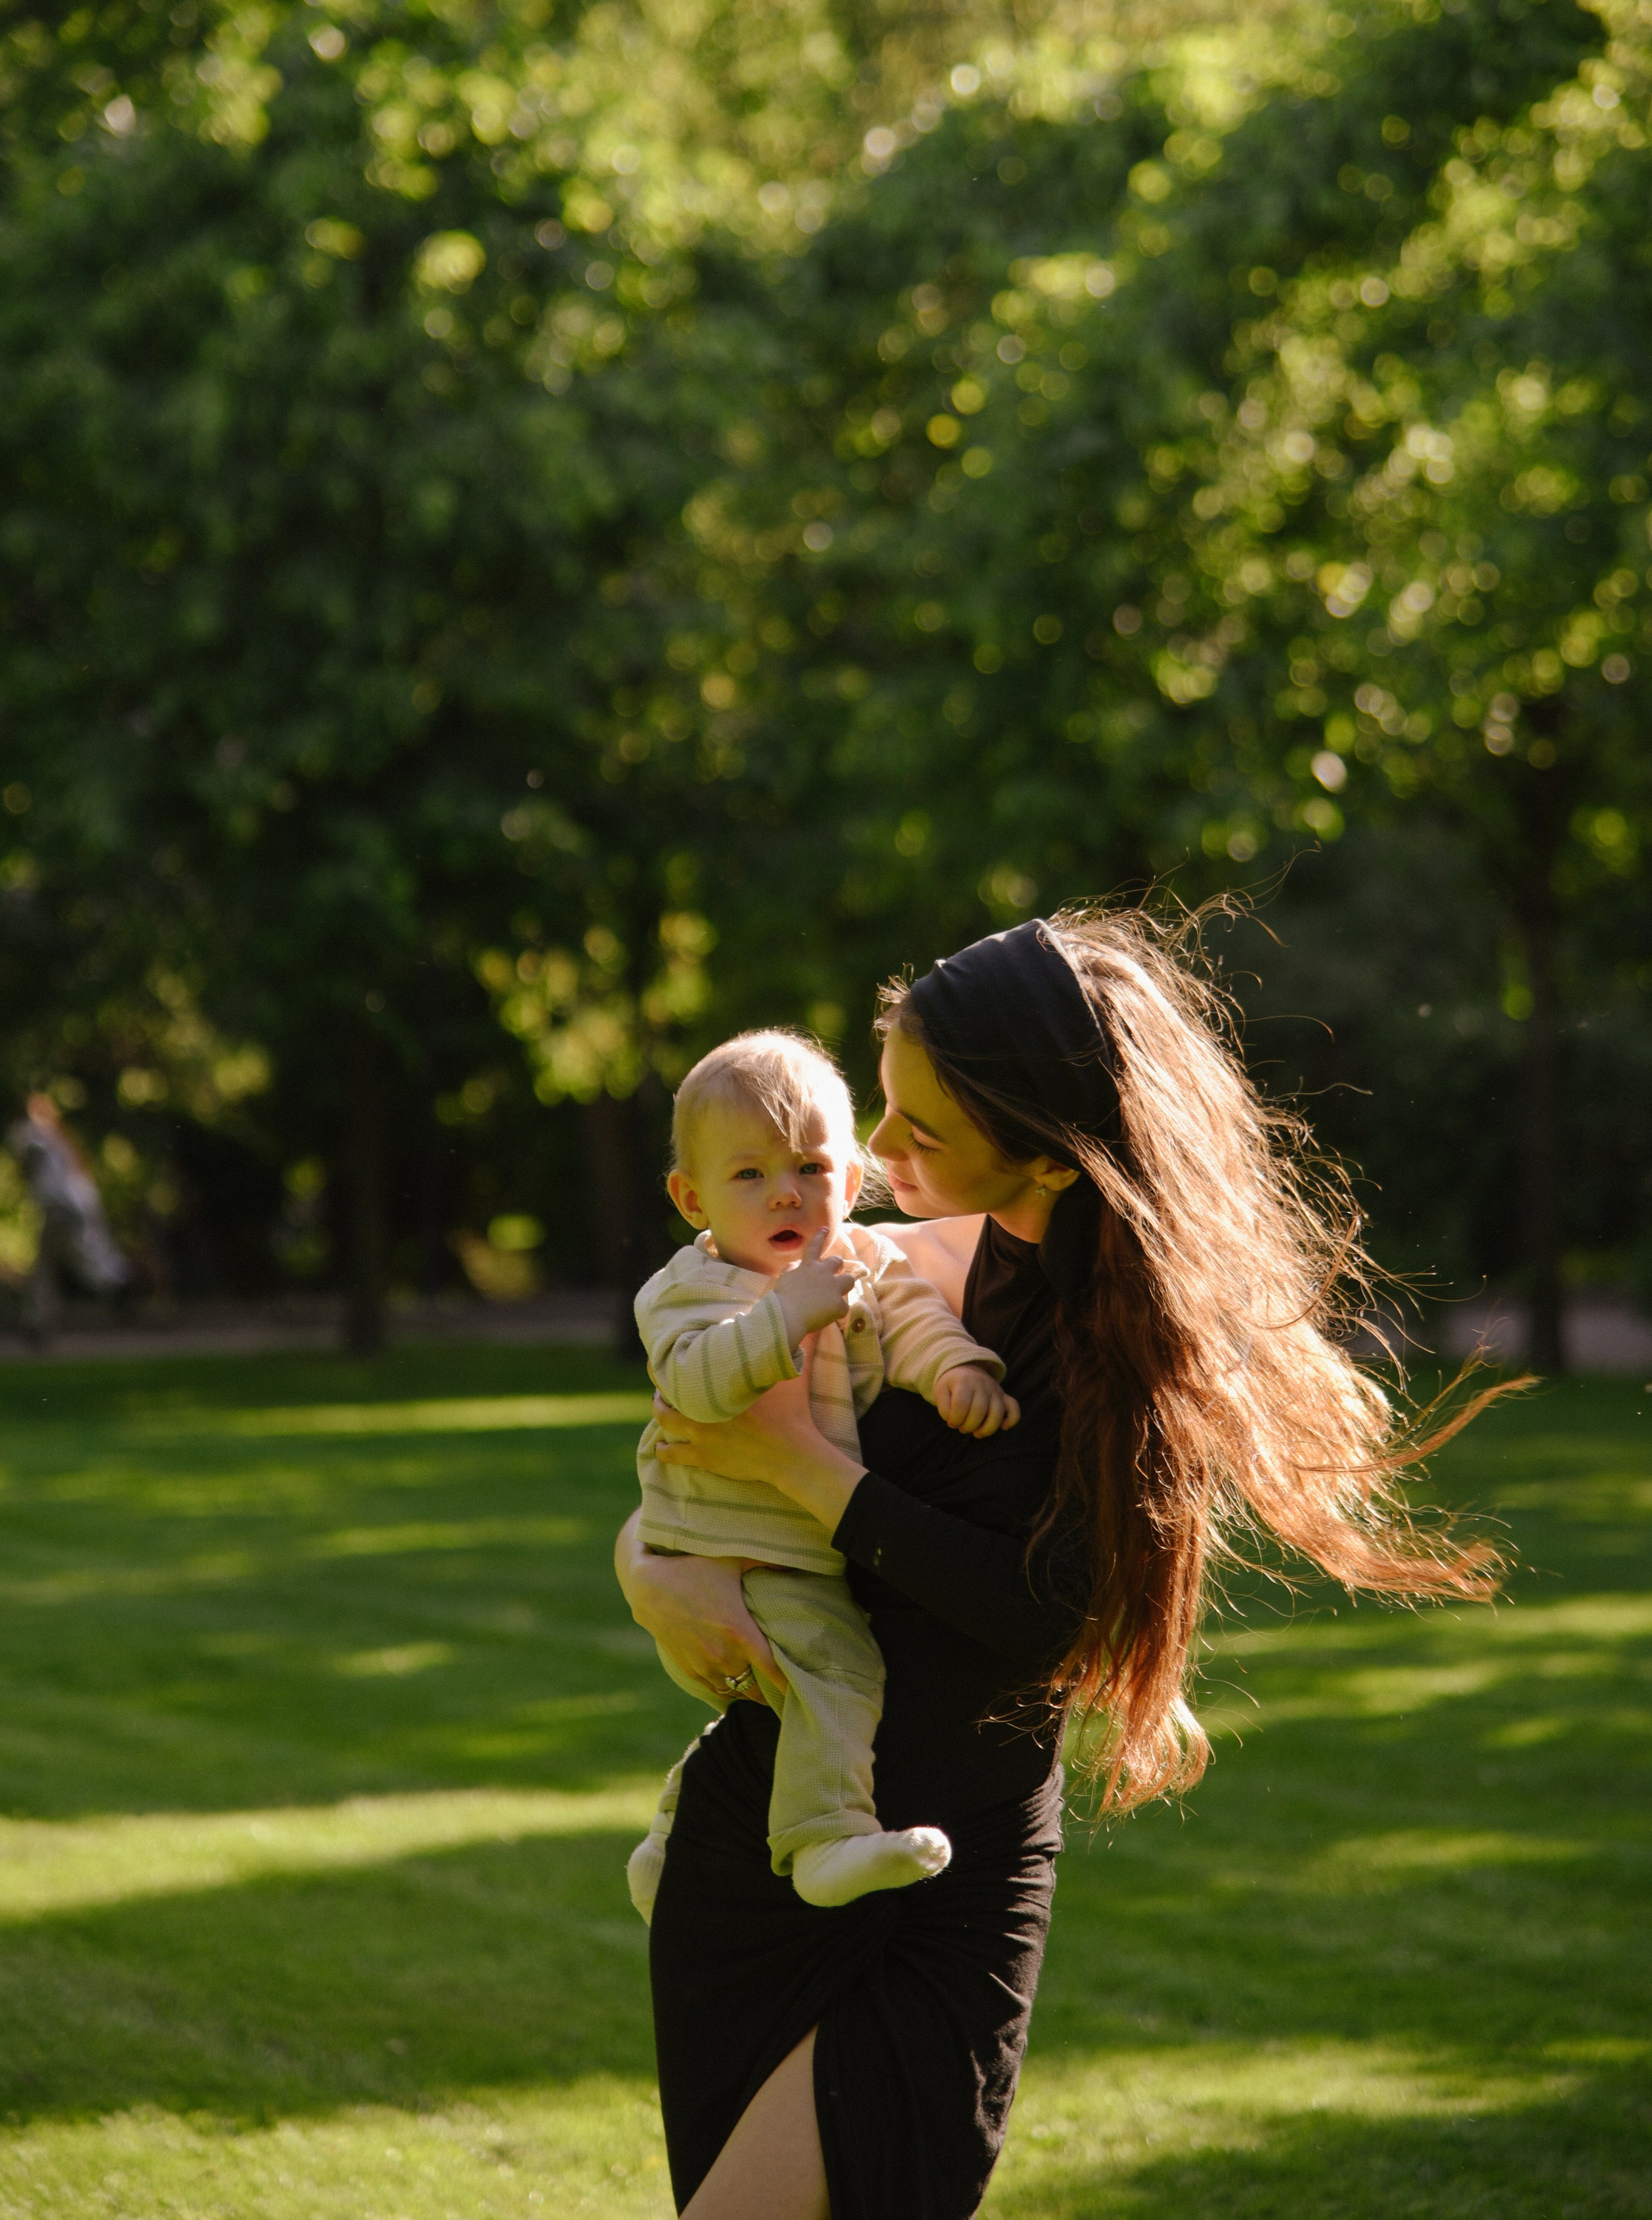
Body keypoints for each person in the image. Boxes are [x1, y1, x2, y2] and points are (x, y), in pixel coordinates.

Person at [616, 906, 1514, 2220]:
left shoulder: (1116, 1352)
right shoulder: (881, 1260)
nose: (871, 1157)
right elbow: (690, 1440)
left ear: (1042, 1156)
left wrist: (806, 1474)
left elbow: (1039, 1611)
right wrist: (649, 1560)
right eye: (884, 1111)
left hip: (943, 1870)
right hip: (761, 1847)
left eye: (920, 1133)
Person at [627, 1029, 1017, 1921]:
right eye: (750, 1174)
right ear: (693, 1197)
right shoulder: (693, 1286)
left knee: (783, 1697)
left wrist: (956, 1370)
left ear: (848, 1178)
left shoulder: (866, 1260)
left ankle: (668, 1840)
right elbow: (694, 1381)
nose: (785, 1192)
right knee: (836, 1668)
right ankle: (824, 1838)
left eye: (808, 1166)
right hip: (727, 1538)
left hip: (788, 1535)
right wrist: (784, 1318)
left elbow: (912, 1314)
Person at [7, 1093, 132, 1345]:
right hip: (64, 1209)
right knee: (50, 1266)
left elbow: (26, 1145)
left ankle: (120, 1286)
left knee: (76, 1259)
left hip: (64, 1209)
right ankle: (39, 1323)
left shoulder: (43, 1139)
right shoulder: (53, 1141)